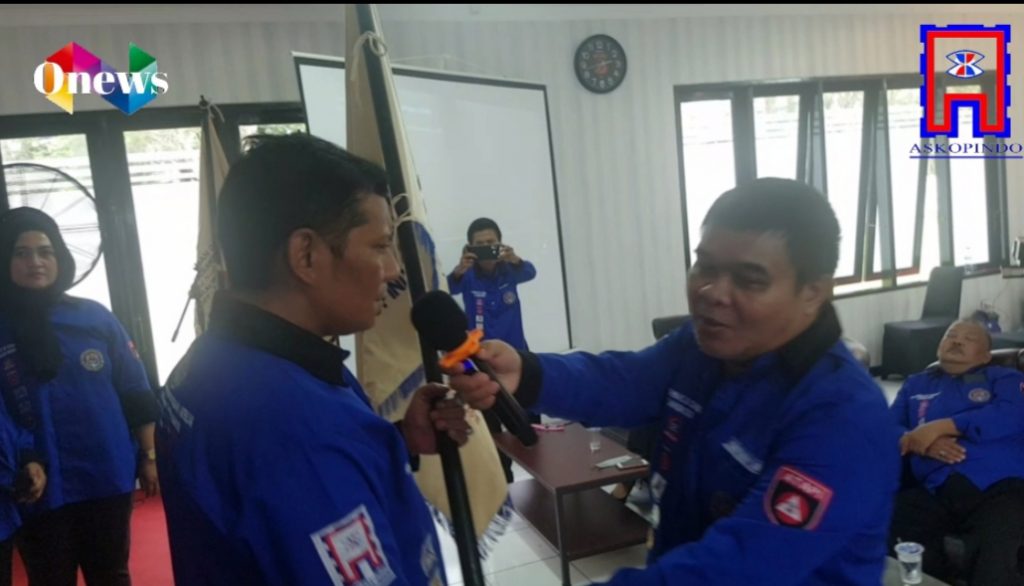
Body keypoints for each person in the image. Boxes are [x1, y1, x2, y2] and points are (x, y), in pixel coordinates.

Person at [446, 178, 901, 585]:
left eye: (749, 280)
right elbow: (622, 380)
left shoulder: (843, 418)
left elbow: (738, 568)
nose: (712, 293)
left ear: (813, 292)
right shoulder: (701, 348)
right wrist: (526, 372)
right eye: (705, 267)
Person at [156, 134, 470, 586]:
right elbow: (299, 466)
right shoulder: (289, 426)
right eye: (381, 246)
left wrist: (399, 440)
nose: (393, 270)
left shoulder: (215, 360)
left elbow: (272, 504)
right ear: (306, 255)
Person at [0, 207, 158, 586]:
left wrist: (149, 456)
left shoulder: (95, 317)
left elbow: (135, 391)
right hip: (34, 484)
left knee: (111, 574)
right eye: (21, 253)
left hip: (105, 473)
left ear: (60, 258)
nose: (35, 262)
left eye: (45, 251)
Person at [889, 319, 1024, 585]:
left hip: (998, 487)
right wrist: (918, 440)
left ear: (985, 356)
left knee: (996, 552)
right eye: (951, 335)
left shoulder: (1005, 378)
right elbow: (886, 427)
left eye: (969, 338)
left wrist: (944, 426)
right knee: (892, 524)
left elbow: (1013, 414)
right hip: (934, 488)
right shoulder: (916, 384)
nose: (958, 341)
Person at [448, 218, 538, 482]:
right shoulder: (467, 276)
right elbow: (447, 287)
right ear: (470, 248)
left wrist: (515, 259)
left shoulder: (510, 270)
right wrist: (459, 270)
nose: (487, 248)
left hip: (517, 358)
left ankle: (540, 477)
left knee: (530, 425)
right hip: (480, 364)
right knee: (491, 429)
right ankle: (503, 481)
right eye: (480, 244)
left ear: (500, 243)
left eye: (491, 242)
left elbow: (531, 272)